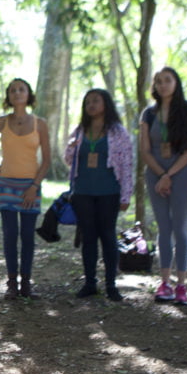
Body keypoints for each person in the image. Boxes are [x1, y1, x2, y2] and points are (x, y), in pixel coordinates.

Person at [64, 89, 133, 301]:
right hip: (83, 192)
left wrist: (126, 195)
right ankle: (90, 283)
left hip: (109, 192)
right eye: (88, 102)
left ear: (106, 104)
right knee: (88, 237)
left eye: (96, 101)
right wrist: (71, 147)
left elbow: (127, 164)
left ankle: (111, 284)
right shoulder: (79, 131)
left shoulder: (117, 132)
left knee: (108, 236)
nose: (91, 105)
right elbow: (68, 160)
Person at [138, 67, 187, 304]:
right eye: (158, 81)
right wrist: (161, 174)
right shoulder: (148, 114)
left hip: (182, 174)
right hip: (155, 174)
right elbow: (145, 150)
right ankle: (165, 283)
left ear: (176, 83)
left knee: (180, 228)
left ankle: (182, 284)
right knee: (164, 228)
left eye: (167, 80)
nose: (163, 85)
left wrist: (170, 174)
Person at [0, 78, 50, 299]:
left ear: (28, 94)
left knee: (27, 236)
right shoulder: (1, 122)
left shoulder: (39, 124)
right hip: (6, 186)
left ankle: (26, 283)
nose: (17, 93)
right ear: (8, 96)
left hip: (30, 187)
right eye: (13, 90)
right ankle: (12, 283)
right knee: (10, 234)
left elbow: (47, 161)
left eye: (21, 89)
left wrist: (34, 186)